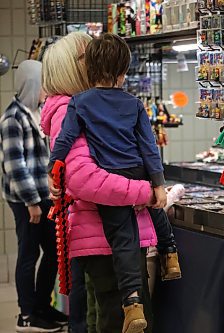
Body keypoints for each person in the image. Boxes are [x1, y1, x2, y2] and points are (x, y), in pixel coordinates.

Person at [48, 33, 181, 332]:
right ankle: (170, 255)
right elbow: (149, 147)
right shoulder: (134, 104)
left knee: (123, 241)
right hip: (137, 174)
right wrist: (156, 184)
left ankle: (132, 302)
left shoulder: (80, 104)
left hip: (113, 181)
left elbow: (66, 141)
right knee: (154, 212)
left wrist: (52, 166)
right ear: (124, 72)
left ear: (89, 68)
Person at [0, 60, 67, 332]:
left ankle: (42, 306)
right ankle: (26, 314)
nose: (46, 90)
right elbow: (15, 166)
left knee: (53, 252)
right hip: (26, 201)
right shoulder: (12, 118)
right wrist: (31, 202)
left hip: (44, 197)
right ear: (31, 84)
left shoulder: (37, 112)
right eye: (43, 84)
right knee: (28, 255)